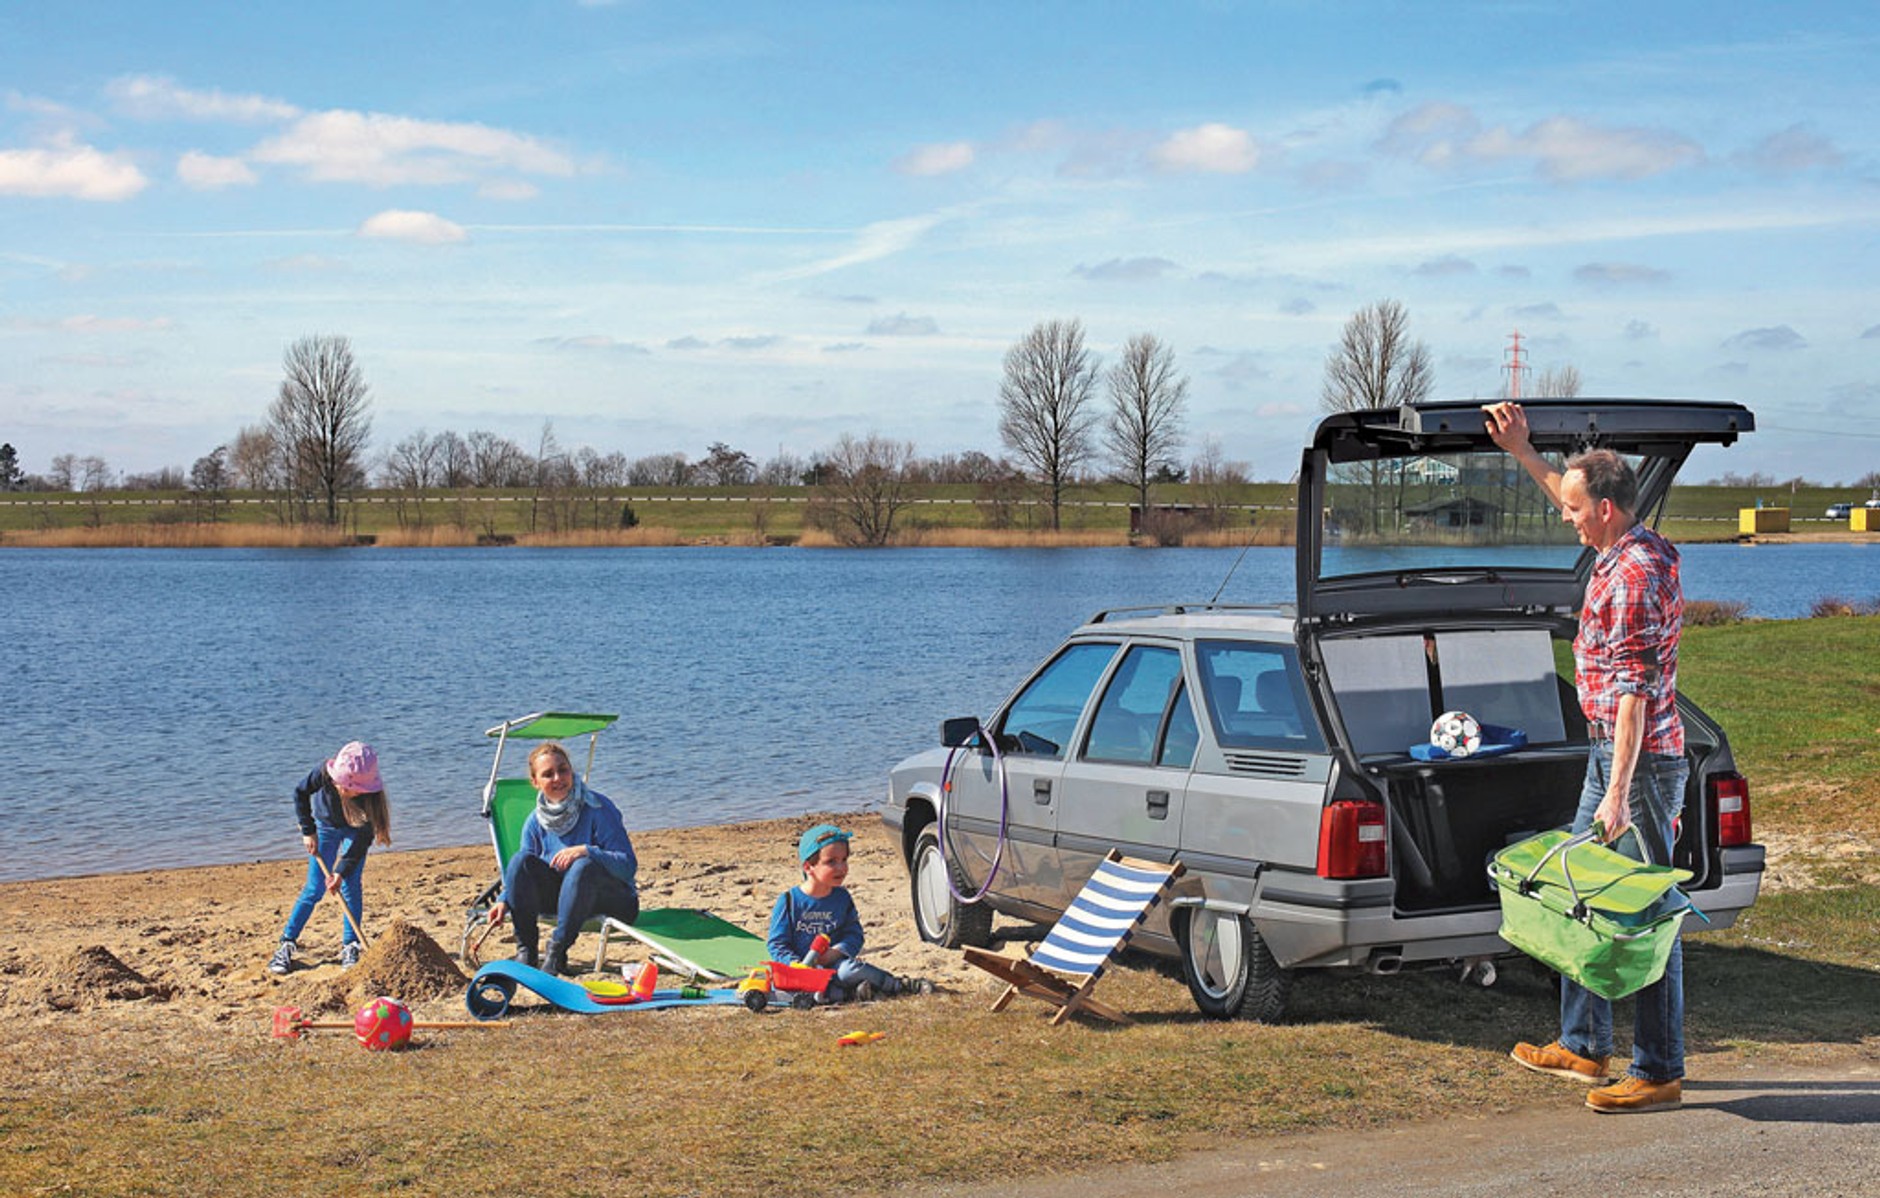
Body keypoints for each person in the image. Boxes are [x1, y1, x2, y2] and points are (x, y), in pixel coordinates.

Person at [1485, 401, 1689, 1115]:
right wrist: (1523, 451)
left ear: (1604, 509)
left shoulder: (1632, 579)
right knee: (1581, 900)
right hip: (1614, 759)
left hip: (1638, 769)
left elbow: (1634, 694)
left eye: (1574, 509)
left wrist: (1618, 792)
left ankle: (1658, 1068)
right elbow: (1565, 489)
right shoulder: (1622, 545)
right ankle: (1584, 1045)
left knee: (1644, 913)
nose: (1564, 516)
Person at [485, 742, 639, 977]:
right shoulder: (535, 822)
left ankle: (556, 953)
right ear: (535, 782)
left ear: (571, 771)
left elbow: (628, 866)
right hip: (566, 901)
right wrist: (504, 900)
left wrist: (587, 850)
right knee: (520, 860)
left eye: (563, 769)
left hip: (614, 901)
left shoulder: (598, 808)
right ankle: (526, 951)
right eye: (548, 774)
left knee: (583, 865)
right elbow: (523, 873)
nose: (558, 778)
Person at [768, 824, 932, 1002]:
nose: (841, 868)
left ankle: (898, 985)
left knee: (850, 971)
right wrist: (795, 964)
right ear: (808, 867)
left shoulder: (842, 898)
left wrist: (835, 952)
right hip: (802, 973)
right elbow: (777, 944)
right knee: (804, 994)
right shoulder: (789, 901)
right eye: (831, 862)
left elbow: (854, 935)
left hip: (837, 966)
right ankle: (858, 993)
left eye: (844, 860)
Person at [269, 741, 392, 975]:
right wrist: (308, 830)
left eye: (347, 785)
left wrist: (340, 872)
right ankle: (287, 943)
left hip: (354, 831)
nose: (338, 785)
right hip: (324, 828)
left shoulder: (369, 801)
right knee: (314, 889)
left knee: (350, 885)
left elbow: (359, 846)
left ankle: (350, 946)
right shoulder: (324, 774)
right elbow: (300, 793)